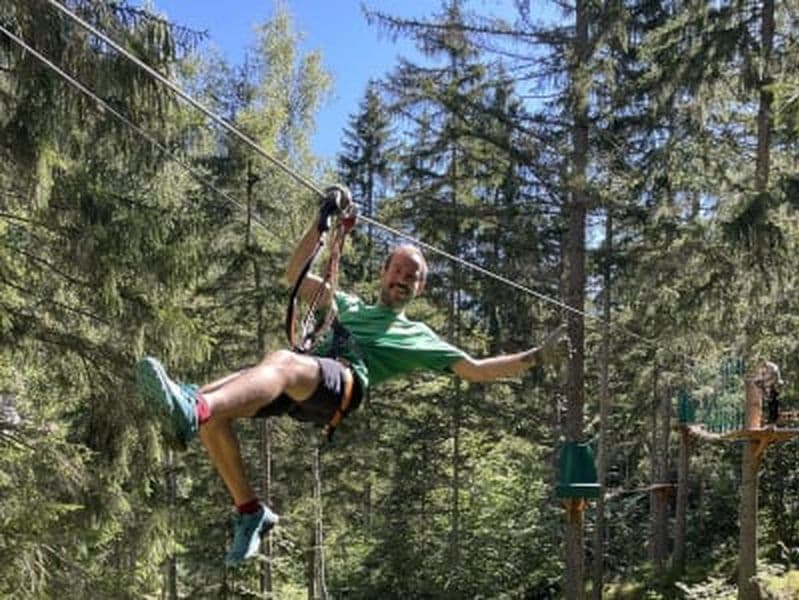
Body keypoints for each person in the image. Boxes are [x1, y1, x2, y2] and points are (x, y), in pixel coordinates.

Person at [135, 185, 570, 567]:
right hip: (308, 383)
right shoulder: (346, 304)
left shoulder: (417, 335)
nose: (403, 278)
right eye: (398, 270)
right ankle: (249, 510)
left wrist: (535, 356)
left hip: (343, 385)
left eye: (412, 276)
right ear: (383, 274)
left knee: (275, 365)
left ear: (419, 290)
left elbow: (475, 370)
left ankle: (193, 407)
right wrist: (322, 220)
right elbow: (294, 274)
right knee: (222, 399)